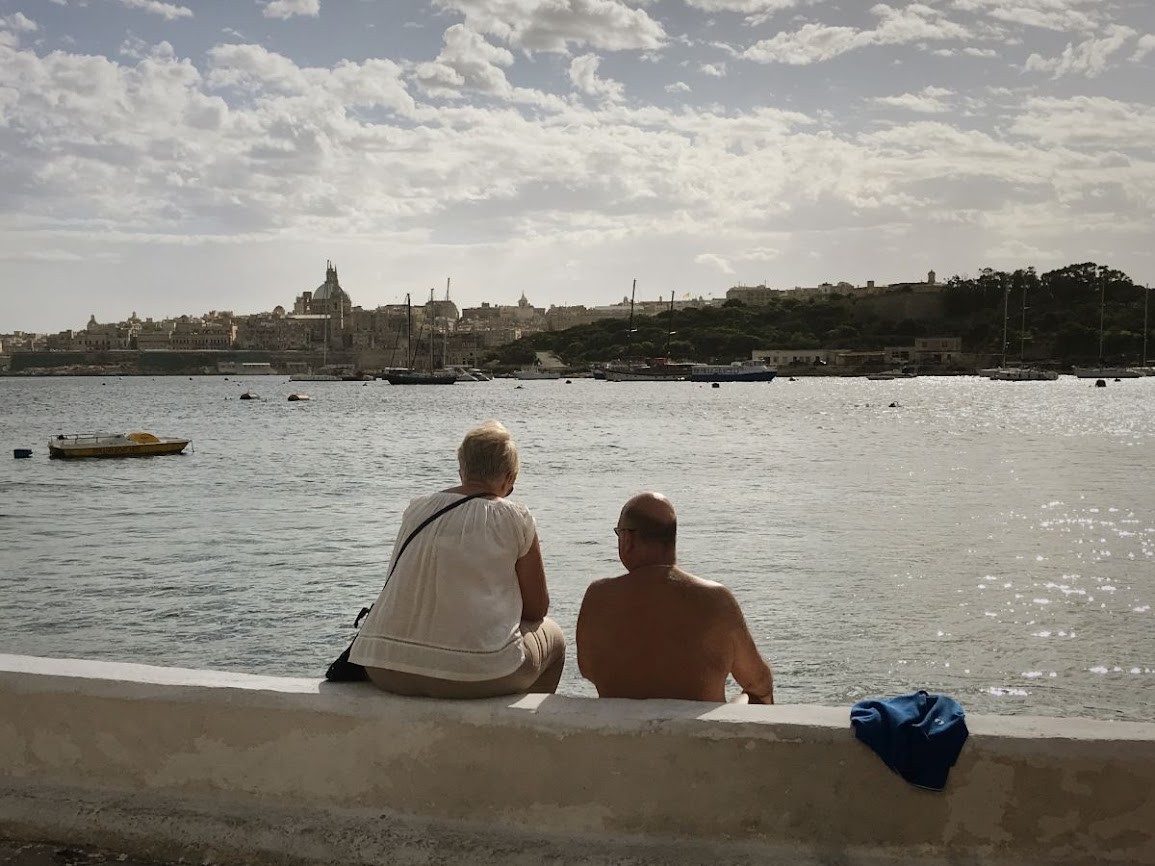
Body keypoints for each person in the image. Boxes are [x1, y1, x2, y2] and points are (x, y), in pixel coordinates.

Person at [350, 420, 564, 698]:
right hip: (475, 674)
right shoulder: (516, 517)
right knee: (554, 638)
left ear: (462, 471)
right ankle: (525, 735)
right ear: (509, 478)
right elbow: (537, 609)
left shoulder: (416, 509)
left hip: (384, 665)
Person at [576, 493, 775, 704]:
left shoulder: (598, 598)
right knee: (757, 696)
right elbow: (760, 681)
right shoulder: (717, 600)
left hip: (621, 733)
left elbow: (588, 669)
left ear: (628, 539)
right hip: (696, 735)